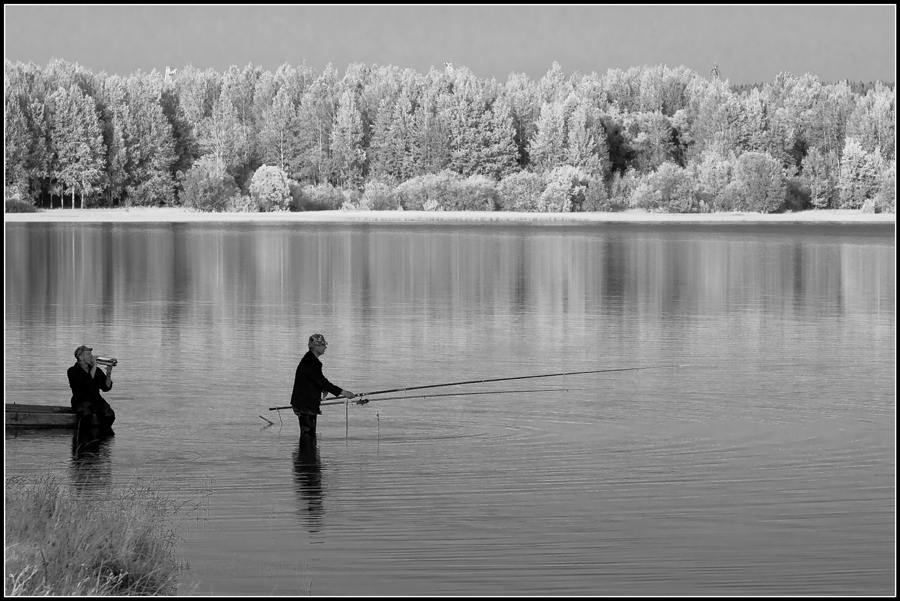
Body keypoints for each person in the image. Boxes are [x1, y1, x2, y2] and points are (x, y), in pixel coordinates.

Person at [290, 334, 356, 438]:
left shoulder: (309, 359)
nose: (325, 347)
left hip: (304, 404)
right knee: (308, 437)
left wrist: (323, 388)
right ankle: (306, 454)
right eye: (323, 345)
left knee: (308, 436)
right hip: (305, 405)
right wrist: (344, 393)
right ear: (316, 346)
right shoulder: (311, 362)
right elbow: (322, 381)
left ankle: (307, 453)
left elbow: (315, 380)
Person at [67, 345, 116, 431]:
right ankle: (84, 438)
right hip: (80, 401)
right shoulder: (72, 371)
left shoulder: (96, 371)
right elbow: (87, 382)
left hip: (96, 401)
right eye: (89, 354)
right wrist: (94, 366)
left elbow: (106, 387)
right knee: (86, 414)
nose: (92, 356)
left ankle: (103, 437)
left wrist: (108, 373)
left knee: (109, 415)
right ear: (81, 357)